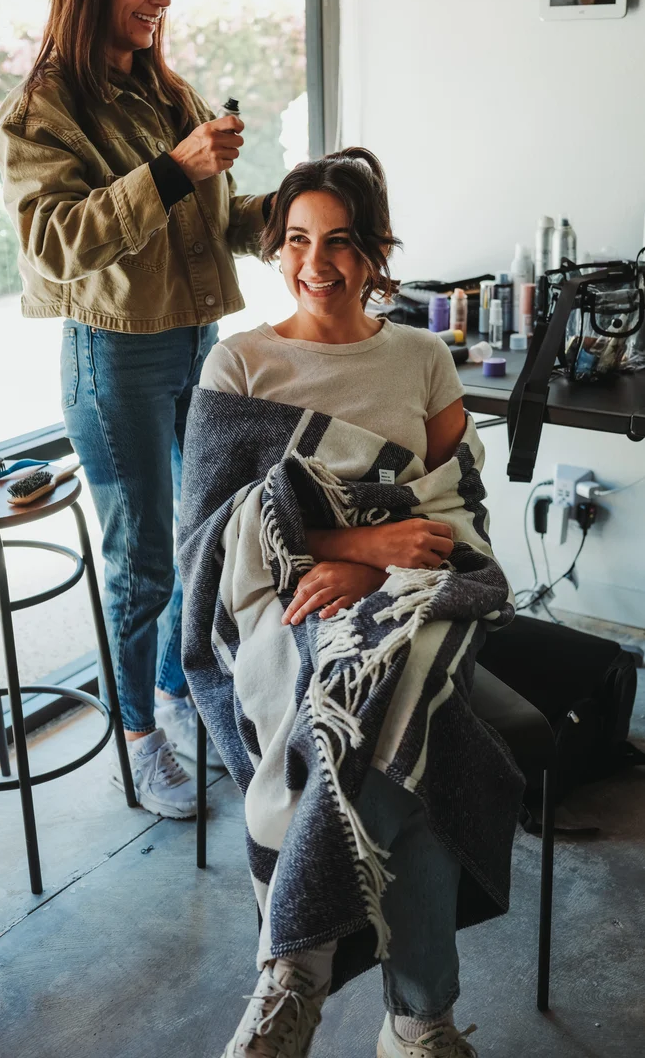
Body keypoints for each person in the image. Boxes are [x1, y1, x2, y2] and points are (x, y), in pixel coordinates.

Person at [189, 148, 520, 1058]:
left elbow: (457, 514)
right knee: (414, 738)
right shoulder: (239, 365)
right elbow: (212, 541)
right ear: (276, 247)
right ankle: (422, 1025)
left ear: (376, 254)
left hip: (419, 598)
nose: (316, 263)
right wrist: (347, 547)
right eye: (296, 239)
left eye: (340, 242)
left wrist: (381, 571)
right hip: (282, 606)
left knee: (392, 688)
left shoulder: (420, 356)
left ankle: (291, 969)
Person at [0, 0, 275, 818]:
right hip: (115, 362)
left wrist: (289, 217)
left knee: (204, 544)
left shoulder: (169, 92)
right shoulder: (42, 109)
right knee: (143, 560)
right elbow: (58, 243)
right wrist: (172, 169)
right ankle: (140, 740)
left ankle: (171, 691)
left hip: (199, 344)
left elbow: (214, 222)